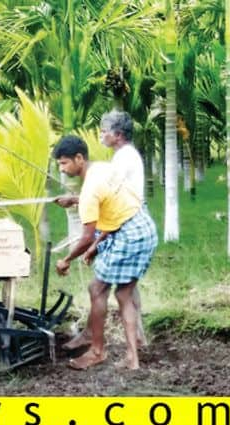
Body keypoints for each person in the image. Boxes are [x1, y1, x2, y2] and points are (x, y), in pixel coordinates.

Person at [52, 135, 157, 370]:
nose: (62, 168)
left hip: (129, 235)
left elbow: (86, 237)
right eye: (59, 164)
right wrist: (75, 201)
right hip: (143, 227)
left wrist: (66, 260)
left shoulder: (89, 191)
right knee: (123, 295)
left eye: (64, 163)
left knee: (97, 288)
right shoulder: (101, 169)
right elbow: (112, 207)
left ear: (79, 158)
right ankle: (132, 357)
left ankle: (97, 351)